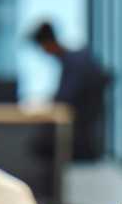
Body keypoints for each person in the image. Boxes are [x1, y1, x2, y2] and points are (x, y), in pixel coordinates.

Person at [30, 20, 109, 159]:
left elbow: (66, 97)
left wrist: (47, 102)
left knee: (37, 144)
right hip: (84, 130)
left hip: (81, 134)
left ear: (47, 44)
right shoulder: (76, 58)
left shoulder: (74, 62)